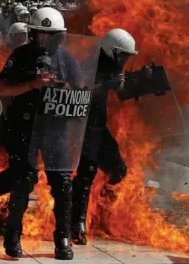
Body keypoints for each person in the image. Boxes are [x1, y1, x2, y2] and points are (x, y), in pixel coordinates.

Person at [0, 7, 80, 260]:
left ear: (60, 37)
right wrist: (31, 85)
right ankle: (12, 235)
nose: (44, 41)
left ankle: (62, 237)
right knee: (24, 178)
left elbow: (80, 89)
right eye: (40, 35)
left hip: (55, 127)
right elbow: (1, 89)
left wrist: (63, 85)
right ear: (32, 34)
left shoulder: (66, 59)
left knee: (62, 183)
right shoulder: (20, 56)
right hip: (24, 125)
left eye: (50, 36)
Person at [70, 28, 133, 245]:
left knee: (118, 170)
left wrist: (144, 80)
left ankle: (100, 214)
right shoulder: (91, 63)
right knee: (86, 173)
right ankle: (76, 223)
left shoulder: (113, 68)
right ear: (112, 50)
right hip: (82, 126)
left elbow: (122, 91)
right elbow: (80, 91)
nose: (125, 60)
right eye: (123, 55)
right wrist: (107, 84)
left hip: (99, 127)